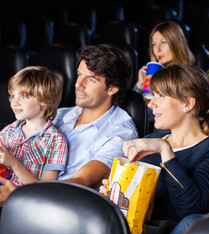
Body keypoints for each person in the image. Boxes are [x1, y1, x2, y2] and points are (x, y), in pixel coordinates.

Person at [0, 44, 138, 205]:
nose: (78, 84)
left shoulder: (120, 134)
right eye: (79, 75)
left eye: (91, 79)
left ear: (112, 89)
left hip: (62, 206)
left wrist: (23, 195)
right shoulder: (59, 114)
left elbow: (84, 180)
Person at [101, 64, 209, 222]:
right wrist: (111, 196)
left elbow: (192, 212)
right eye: (153, 95)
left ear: (188, 104)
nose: (151, 104)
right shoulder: (149, 141)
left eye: (161, 96)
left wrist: (165, 149)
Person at [0, 66, 67, 185]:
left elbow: (44, 189)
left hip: (23, 200)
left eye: (23, 97)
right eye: (13, 96)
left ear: (45, 102)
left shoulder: (55, 141)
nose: (14, 102)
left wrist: (14, 163)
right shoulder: (8, 131)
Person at [133, 20, 195, 94]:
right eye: (154, 44)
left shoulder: (190, 77)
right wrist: (140, 86)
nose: (158, 49)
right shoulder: (154, 75)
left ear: (176, 44)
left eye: (163, 42)